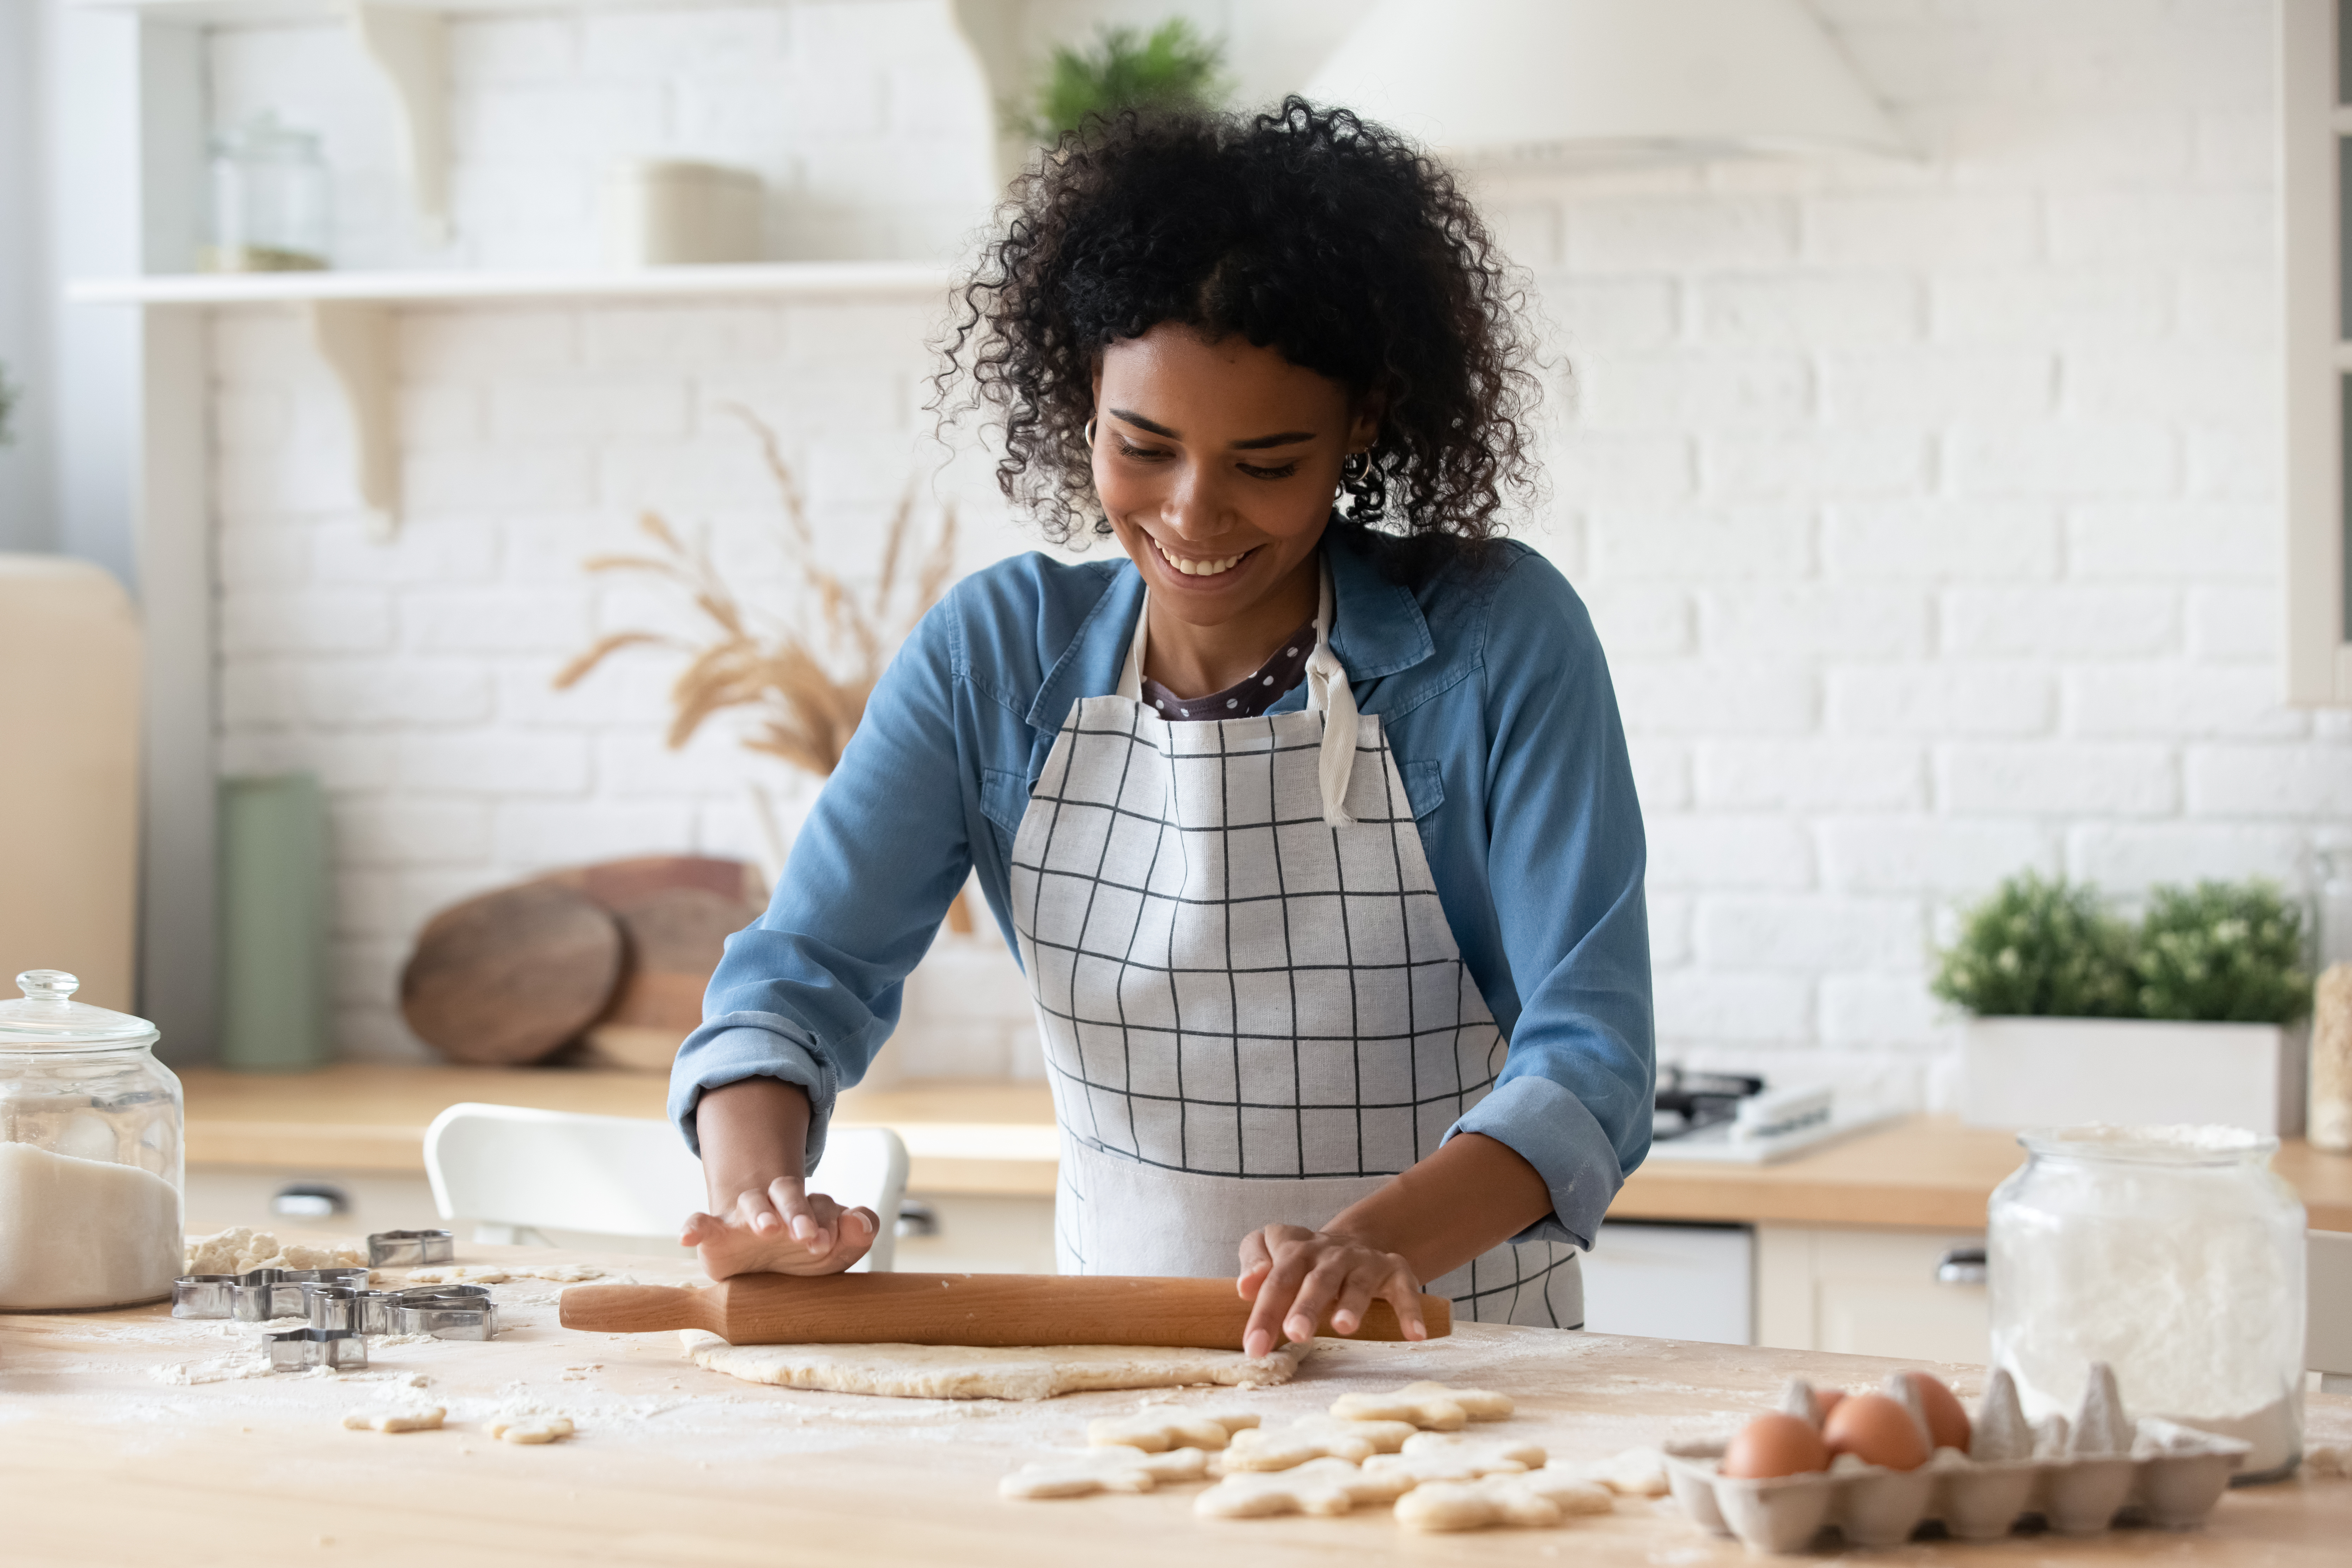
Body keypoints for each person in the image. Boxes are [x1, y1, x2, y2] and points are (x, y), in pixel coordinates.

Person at [673, 99, 1653, 1356]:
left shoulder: (1489, 642)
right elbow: (795, 979)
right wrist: (755, 1192)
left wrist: (1373, 1247)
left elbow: (1593, 1057)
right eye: (1145, 447)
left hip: (1457, 1353)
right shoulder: (995, 656)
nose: (1194, 514)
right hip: (1116, 1364)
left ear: (1362, 425)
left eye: (1266, 462)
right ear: (1083, 399)